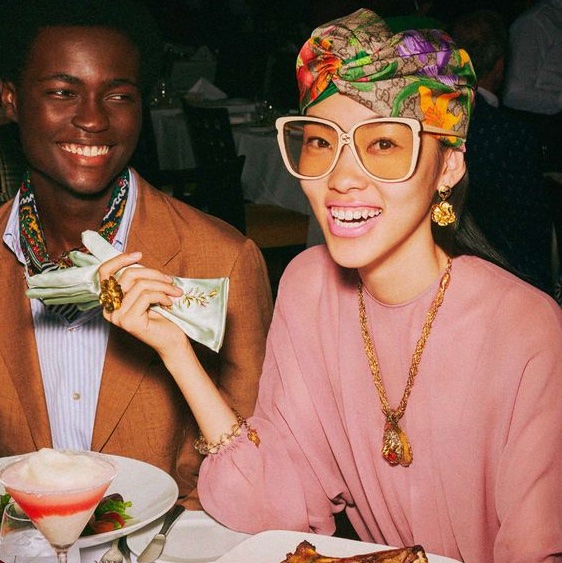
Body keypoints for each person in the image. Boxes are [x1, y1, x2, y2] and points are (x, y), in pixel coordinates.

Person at [96, 8, 562, 562]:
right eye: (321, 141)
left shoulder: (527, 329)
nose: (340, 178)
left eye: (383, 144)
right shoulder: (309, 284)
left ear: (448, 168)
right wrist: (177, 352)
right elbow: (273, 507)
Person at [0, 0, 273, 508]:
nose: (93, 119)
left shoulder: (223, 259)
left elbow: (259, 473)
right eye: (63, 92)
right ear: (10, 100)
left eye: (118, 96)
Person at [450, 9, 554, 294]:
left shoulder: (434, 119)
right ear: (499, 66)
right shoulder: (513, 134)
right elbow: (532, 227)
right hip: (510, 276)